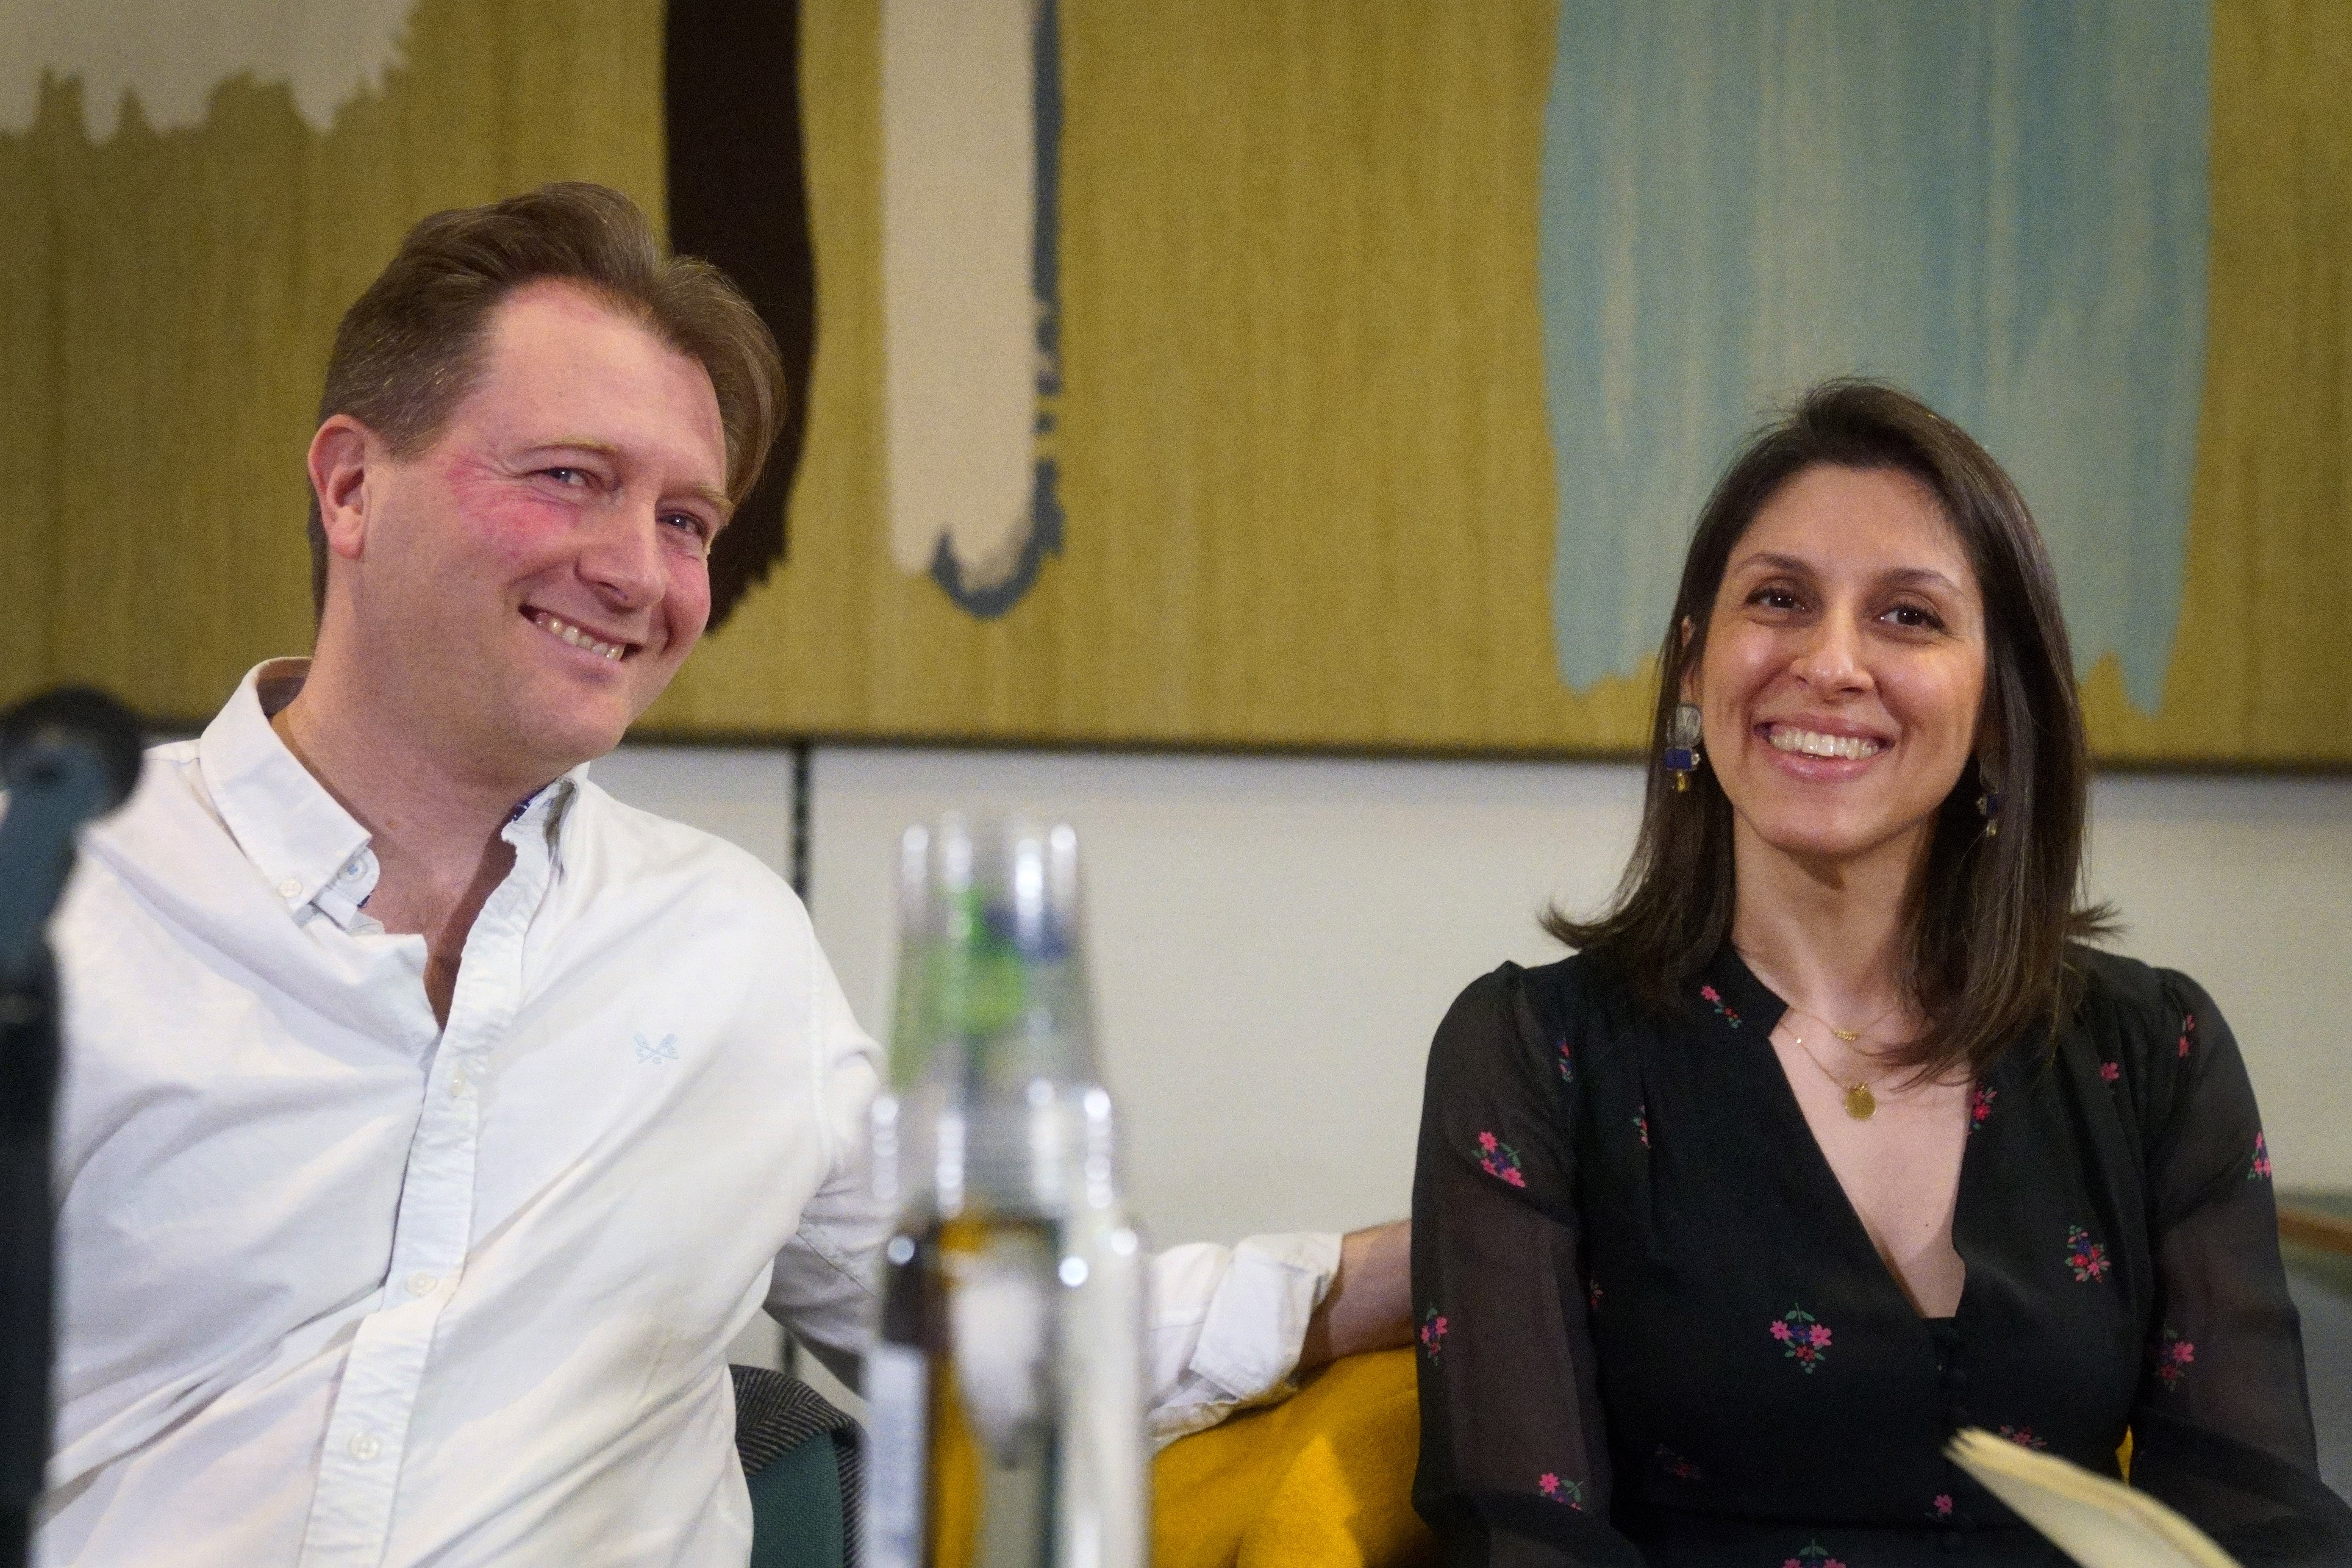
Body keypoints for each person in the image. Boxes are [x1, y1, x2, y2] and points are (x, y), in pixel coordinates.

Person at [36, 183, 1406, 1566]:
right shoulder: (65, 896)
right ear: (349, 486)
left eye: (688, 520)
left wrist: (1442, 1259)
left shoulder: (724, 945)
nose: (639, 571)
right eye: (571, 477)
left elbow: (1006, 1342)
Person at [1410, 380, 2352, 1565]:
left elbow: (2257, 1520)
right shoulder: (1532, 1053)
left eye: (1909, 616)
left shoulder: (2152, 1054)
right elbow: (1523, 1540)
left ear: (1998, 709)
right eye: (1779, 600)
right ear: (1694, 668)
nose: (1832, 662)